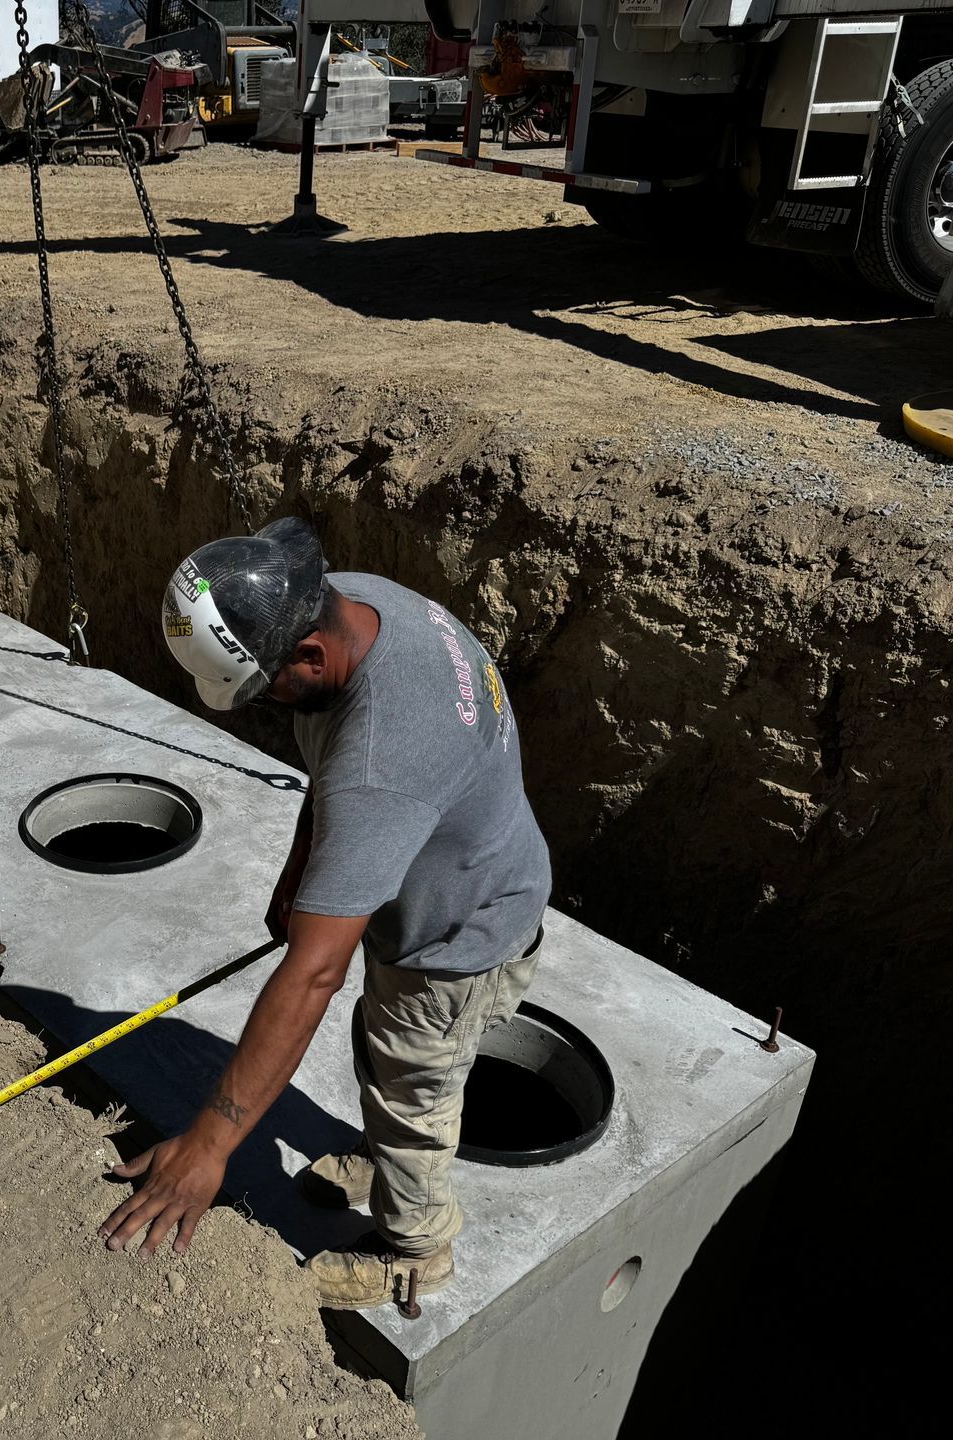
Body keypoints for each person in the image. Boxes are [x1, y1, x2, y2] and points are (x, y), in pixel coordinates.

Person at [99, 518, 552, 1311]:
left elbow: (313, 974)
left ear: (308, 656)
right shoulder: (364, 606)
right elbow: (333, 753)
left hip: (456, 940)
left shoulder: (384, 760)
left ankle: (417, 1250)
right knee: (384, 1060)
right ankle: (385, 1160)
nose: (268, 704)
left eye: (264, 687)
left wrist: (209, 1146)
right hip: (461, 877)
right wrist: (304, 866)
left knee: (414, 1083)